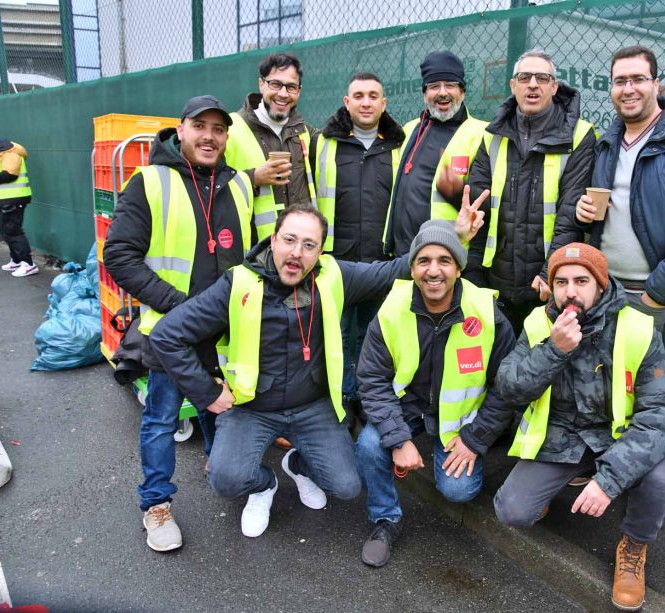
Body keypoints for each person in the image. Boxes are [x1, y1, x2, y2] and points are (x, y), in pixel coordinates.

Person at [149, 193, 487, 540]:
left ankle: (297, 464)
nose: (297, 252)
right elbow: (166, 336)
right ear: (274, 239)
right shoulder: (237, 283)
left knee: (347, 486)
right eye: (290, 240)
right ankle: (264, 487)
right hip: (252, 408)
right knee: (226, 478)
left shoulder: (333, 276)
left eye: (309, 245)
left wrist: (454, 235)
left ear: (321, 252)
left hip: (312, 407)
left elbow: (396, 270)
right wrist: (206, 392)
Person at [493, 242, 665, 611]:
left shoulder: (637, 328)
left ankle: (634, 546)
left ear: (600, 284)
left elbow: (662, 414)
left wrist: (608, 482)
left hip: (617, 437)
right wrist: (554, 350)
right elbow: (509, 388)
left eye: (582, 280)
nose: (571, 291)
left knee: (660, 482)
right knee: (511, 511)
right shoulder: (537, 323)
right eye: (561, 282)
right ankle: (560, 485)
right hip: (561, 439)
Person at [103, 95, 254, 552]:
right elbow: (119, 256)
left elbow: (251, 257)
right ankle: (156, 505)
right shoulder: (149, 182)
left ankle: (217, 467)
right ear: (181, 130)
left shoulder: (239, 186)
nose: (209, 136)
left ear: (227, 137)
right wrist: (180, 306)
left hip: (225, 333)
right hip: (169, 332)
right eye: (200, 127)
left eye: (218, 129)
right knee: (162, 420)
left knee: (217, 405)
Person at [355, 219, 515, 568]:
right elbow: (371, 378)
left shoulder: (488, 315)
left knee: (458, 491)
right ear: (412, 269)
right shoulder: (392, 310)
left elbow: (506, 389)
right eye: (423, 261)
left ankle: (468, 454)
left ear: (459, 268)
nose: (433, 270)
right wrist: (398, 439)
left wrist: (475, 439)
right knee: (369, 446)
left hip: (460, 419)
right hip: (408, 407)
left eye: (444, 260)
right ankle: (385, 520)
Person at [556, 45, 665, 357]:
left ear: (656, 84)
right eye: (620, 81)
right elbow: (612, 211)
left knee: (653, 394)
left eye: (638, 79)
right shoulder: (607, 143)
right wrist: (584, 215)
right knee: (607, 390)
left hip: (656, 296)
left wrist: (658, 293)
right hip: (608, 293)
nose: (628, 89)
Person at [466, 49, 595, 332]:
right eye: (524, 77)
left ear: (554, 86)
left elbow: (569, 213)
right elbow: (479, 208)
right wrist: (473, 273)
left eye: (542, 77)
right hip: (494, 280)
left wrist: (552, 271)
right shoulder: (493, 136)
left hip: (545, 286)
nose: (533, 84)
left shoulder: (579, 135)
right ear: (513, 86)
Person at [310, 72, 406, 420]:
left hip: (380, 261)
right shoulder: (322, 142)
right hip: (336, 259)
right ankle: (341, 397)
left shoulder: (399, 145)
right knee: (337, 333)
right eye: (358, 96)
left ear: (384, 103)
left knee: (374, 333)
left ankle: (368, 397)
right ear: (346, 102)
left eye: (373, 96)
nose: (366, 102)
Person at [382, 50, 487, 258]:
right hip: (401, 256)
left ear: (463, 92)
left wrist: (455, 192)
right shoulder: (410, 129)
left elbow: (490, 205)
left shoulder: (482, 134)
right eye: (434, 86)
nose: (442, 92)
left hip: (448, 258)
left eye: (450, 85)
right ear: (424, 94)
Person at [225, 52, 317, 239]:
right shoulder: (231, 128)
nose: (283, 94)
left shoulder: (305, 132)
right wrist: (253, 178)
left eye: (291, 87)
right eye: (275, 84)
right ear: (261, 84)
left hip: (300, 247)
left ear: (299, 91)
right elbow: (208, 185)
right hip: (254, 249)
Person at [0, 127, 37, 277]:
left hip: (13, 198)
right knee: (6, 232)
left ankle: (29, 264)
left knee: (13, 231)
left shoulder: (9, 151)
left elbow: (9, 175)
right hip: (3, 199)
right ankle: (17, 260)